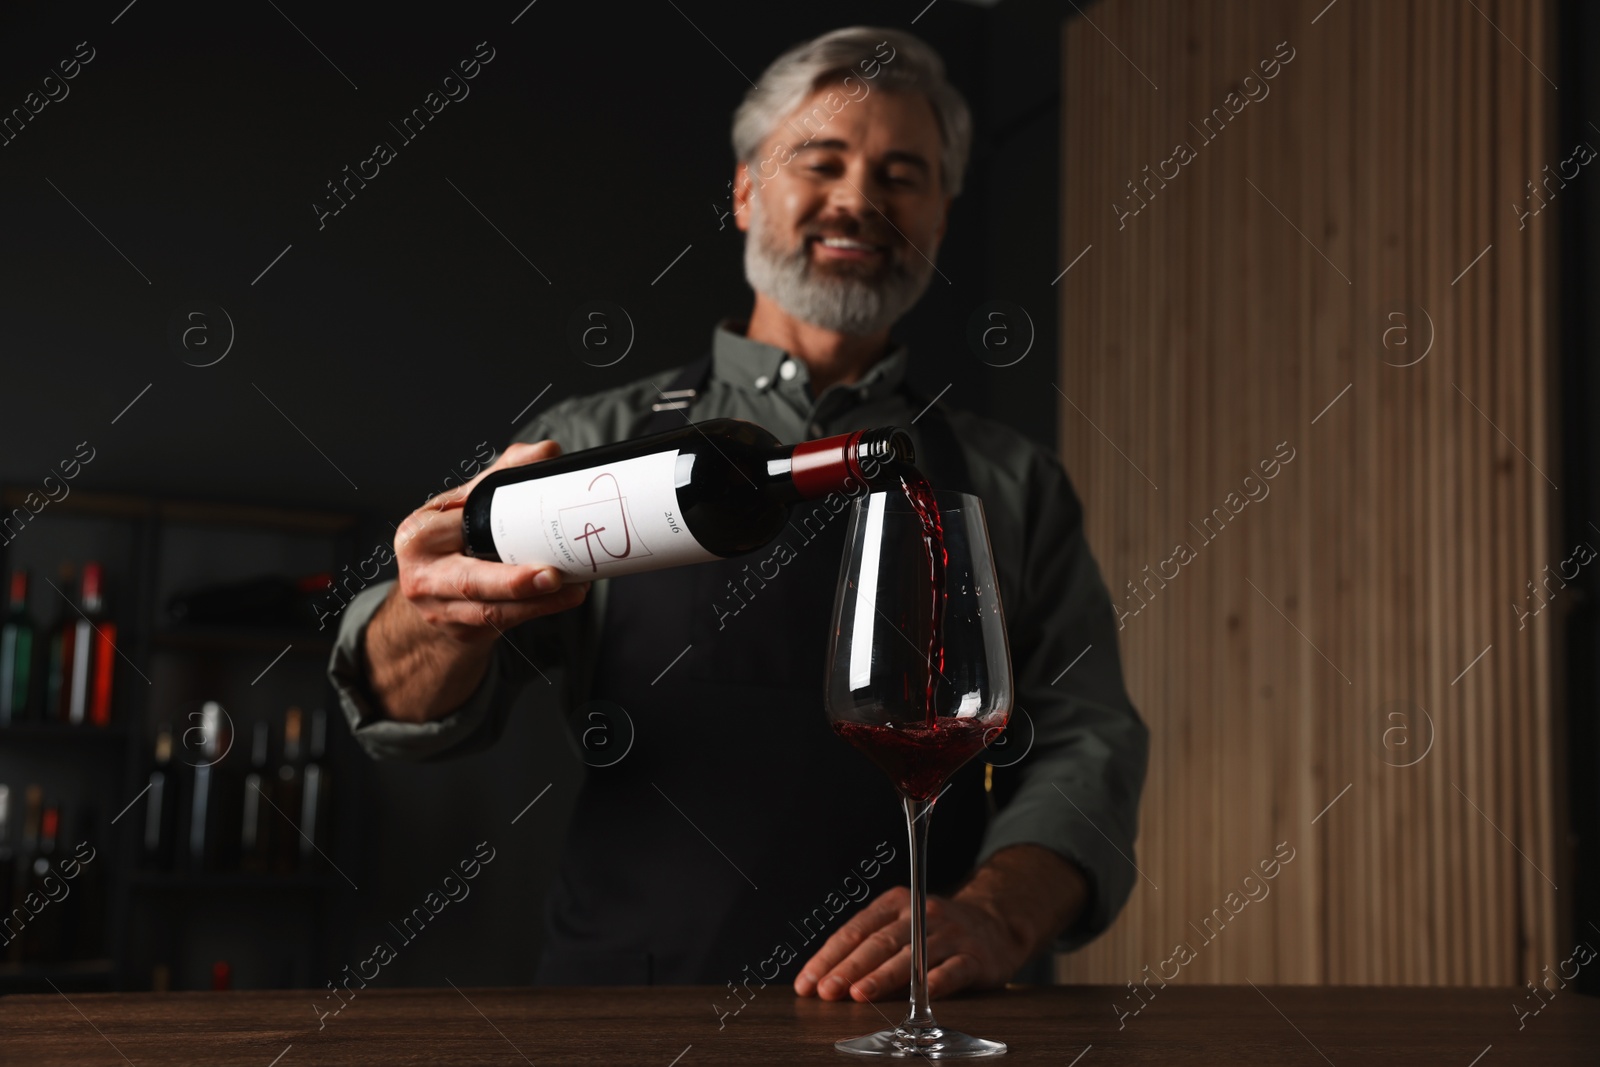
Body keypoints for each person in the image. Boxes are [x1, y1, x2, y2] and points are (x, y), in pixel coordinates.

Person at [328, 25, 1148, 1002]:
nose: (858, 199)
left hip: (906, 1016)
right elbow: (404, 704)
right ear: (746, 189)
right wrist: (430, 611)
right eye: (822, 160)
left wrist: (1001, 911)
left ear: (939, 211)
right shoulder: (596, 443)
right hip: (626, 1008)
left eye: (901, 173)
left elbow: (1084, 739)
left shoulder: (1012, 481)